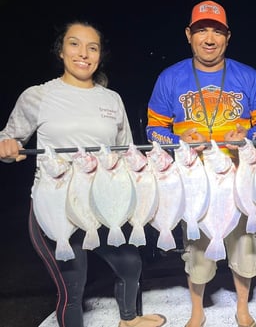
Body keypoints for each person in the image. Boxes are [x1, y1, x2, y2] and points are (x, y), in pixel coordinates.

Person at [0, 21, 167, 327]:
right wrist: (7, 147)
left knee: (131, 265)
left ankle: (128, 320)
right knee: (73, 286)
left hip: (103, 203)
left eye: (93, 48)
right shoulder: (37, 96)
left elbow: (124, 152)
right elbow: (7, 141)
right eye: (74, 44)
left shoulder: (111, 99)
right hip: (56, 206)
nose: (84, 54)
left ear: (100, 56)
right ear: (61, 51)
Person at [146, 0, 256, 327]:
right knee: (196, 250)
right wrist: (179, 141)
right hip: (192, 179)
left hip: (240, 177)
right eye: (202, 30)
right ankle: (197, 310)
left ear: (228, 37)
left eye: (217, 31)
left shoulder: (248, 75)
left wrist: (248, 136)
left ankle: (242, 309)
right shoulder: (169, 77)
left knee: (246, 247)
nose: (209, 38)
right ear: (188, 35)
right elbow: (153, 129)